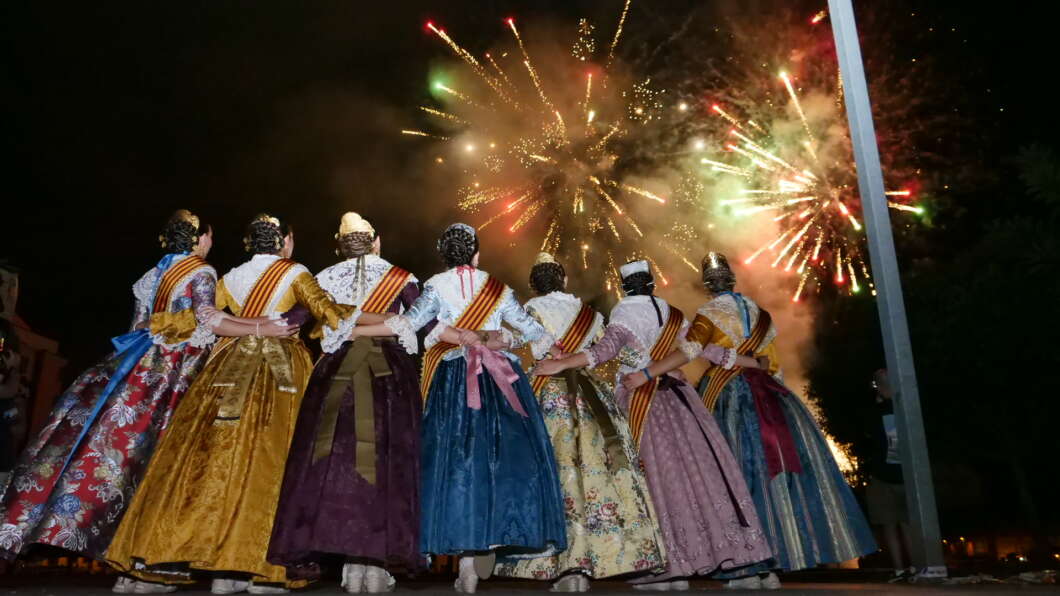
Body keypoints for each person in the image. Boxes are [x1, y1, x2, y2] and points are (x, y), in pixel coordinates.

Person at [0, 211, 290, 594]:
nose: (210, 243)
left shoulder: (150, 276)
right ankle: (149, 563)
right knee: (165, 467)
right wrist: (259, 327)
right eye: (209, 236)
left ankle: (125, 566)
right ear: (200, 239)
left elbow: (138, 326)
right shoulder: (201, 272)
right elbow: (207, 319)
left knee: (117, 463)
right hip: (177, 375)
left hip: (133, 368)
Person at [106, 213, 356, 595]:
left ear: (248, 244)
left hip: (227, 368)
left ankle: (205, 562)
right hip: (281, 373)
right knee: (272, 463)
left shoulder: (231, 276)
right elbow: (329, 313)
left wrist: (160, 326)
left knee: (208, 462)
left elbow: (200, 318)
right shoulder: (297, 272)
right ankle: (259, 568)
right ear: (285, 241)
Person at [624, 252, 876, 589]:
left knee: (730, 476)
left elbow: (691, 351)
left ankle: (743, 566)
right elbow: (771, 365)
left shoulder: (709, 313)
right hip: (773, 398)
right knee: (776, 480)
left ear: (707, 284)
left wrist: (645, 372)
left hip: (729, 397)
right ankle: (770, 567)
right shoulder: (762, 315)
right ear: (732, 279)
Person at [349, 223, 566, 594]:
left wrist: (354, 330)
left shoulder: (435, 285)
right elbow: (531, 331)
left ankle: (464, 556)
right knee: (503, 463)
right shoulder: (497, 287)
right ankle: (482, 550)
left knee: (455, 464)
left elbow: (408, 324)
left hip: (453, 380)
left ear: (443, 255)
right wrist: (504, 339)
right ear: (477, 254)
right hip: (500, 381)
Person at [534, 260, 772, 591]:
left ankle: (664, 570)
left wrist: (558, 364)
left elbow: (601, 353)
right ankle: (732, 561)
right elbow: (707, 350)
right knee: (701, 476)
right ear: (652, 284)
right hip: (681, 400)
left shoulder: (623, 313)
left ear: (623, 287)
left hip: (640, 401)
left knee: (648, 481)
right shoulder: (673, 313)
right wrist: (754, 362)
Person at [268, 213, 424, 593]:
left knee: (337, 465)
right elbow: (422, 319)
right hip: (389, 375)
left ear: (339, 246)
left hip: (336, 375)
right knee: (387, 463)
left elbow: (291, 322)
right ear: (376, 242)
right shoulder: (401, 277)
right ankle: (375, 563)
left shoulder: (322, 279)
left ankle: (350, 564)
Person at [494, 253, 665, 592]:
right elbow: (615, 353)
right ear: (564, 281)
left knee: (553, 474)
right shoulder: (593, 316)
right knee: (598, 475)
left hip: (546, 394)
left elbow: (511, 342)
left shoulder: (528, 311)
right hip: (591, 396)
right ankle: (602, 557)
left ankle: (563, 566)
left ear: (533, 284)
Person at [865, 369, 912, 581]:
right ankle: (917, 567)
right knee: (908, 524)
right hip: (907, 475)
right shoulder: (907, 408)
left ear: (879, 387)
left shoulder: (873, 412)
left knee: (889, 526)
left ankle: (899, 569)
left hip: (882, 477)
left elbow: (869, 439)